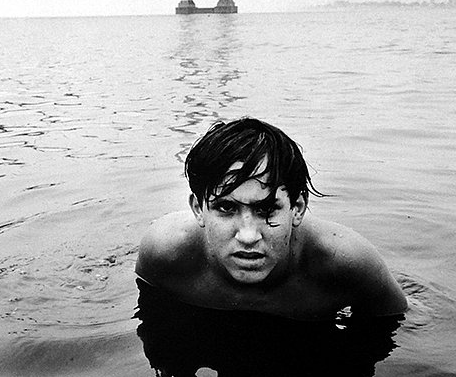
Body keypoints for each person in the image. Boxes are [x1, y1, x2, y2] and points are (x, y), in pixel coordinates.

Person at [135, 117, 407, 320]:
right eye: (226, 209)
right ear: (198, 209)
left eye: (266, 211)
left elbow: (391, 331)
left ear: (297, 208)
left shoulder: (345, 263)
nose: (248, 236)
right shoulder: (165, 253)